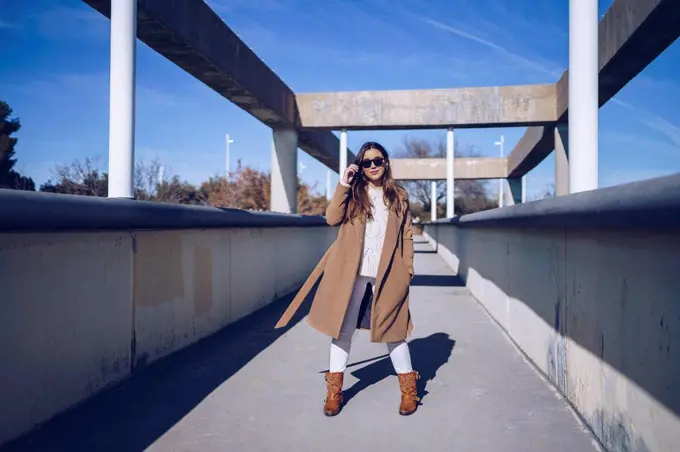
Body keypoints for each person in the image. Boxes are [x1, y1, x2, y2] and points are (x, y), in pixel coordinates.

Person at [276, 141, 418, 417]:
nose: (373, 166)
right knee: (342, 330)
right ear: (360, 167)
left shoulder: (399, 196)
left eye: (378, 160)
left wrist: (407, 270)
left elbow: (407, 237)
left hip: (388, 273)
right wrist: (343, 184)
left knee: (395, 331)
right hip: (351, 274)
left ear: (385, 162)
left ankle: (409, 392)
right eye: (367, 162)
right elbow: (331, 219)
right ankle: (333, 393)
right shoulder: (353, 194)